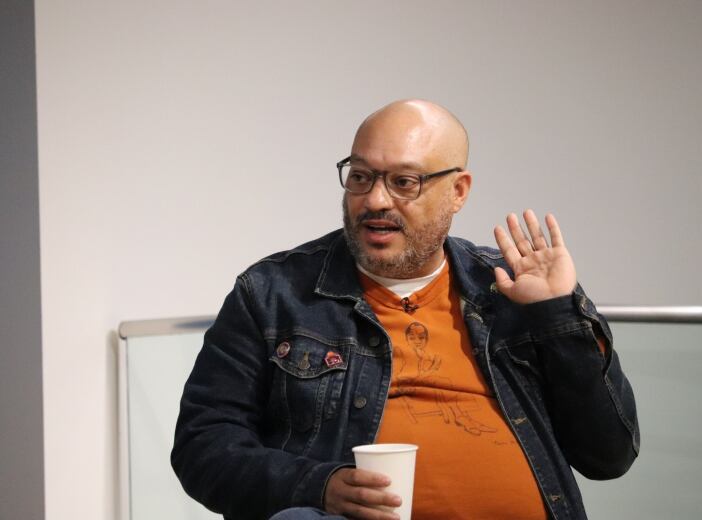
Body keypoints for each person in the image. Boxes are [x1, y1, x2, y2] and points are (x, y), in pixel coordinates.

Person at [171, 99, 639, 520]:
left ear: (458, 191)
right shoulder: (274, 293)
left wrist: (556, 318)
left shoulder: (515, 287)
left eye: (404, 182)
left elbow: (608, 457)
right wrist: (319, 486)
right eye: (360, 176)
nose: (375, 200)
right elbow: (204, 445)